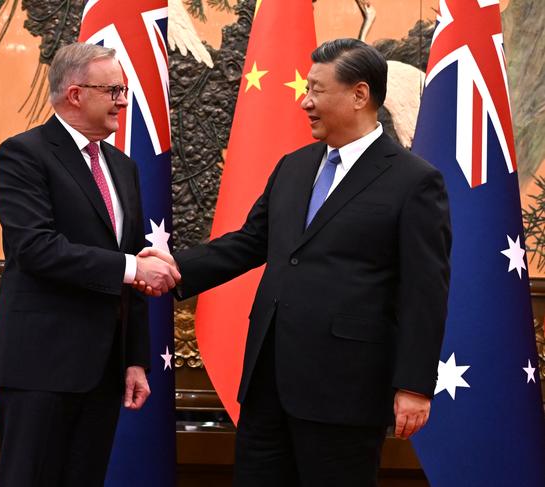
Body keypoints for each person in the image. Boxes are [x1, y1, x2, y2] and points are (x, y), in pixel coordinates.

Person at [139, 38, 451, 486]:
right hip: (269, 381)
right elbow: (249, 243)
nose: (305, 102)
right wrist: (174, 268)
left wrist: (415, 385)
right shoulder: (294, 166)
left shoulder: (414, 181)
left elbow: (426, 290)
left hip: (346, 391)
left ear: (359, 95)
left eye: (317, 90)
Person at [0, 43, 180, 487]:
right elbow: (35, 248)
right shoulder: (23, 154)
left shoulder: (123, 167)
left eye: (124, 90)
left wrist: (134, 360)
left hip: (103, 370)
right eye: (114, 90)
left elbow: (131, 260)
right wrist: (132, 268)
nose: (123, 101)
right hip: (40, 366)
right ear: (75, 94)